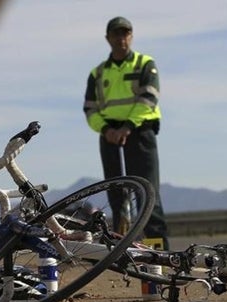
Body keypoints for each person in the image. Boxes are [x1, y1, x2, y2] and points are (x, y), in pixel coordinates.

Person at [83, 16, 169, 249]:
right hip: (109, 134)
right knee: (116, 195)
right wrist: (107, 130)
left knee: (147, 194)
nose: (122, 38)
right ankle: (122, 251)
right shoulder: (98, 74)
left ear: (131, 36)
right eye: (116, 34)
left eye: (126, 33)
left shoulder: (144, 63)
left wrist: (127, 127)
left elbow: (148, 98)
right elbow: (90, 109)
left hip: (139, 132)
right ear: (107, 38)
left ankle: (160, 256)